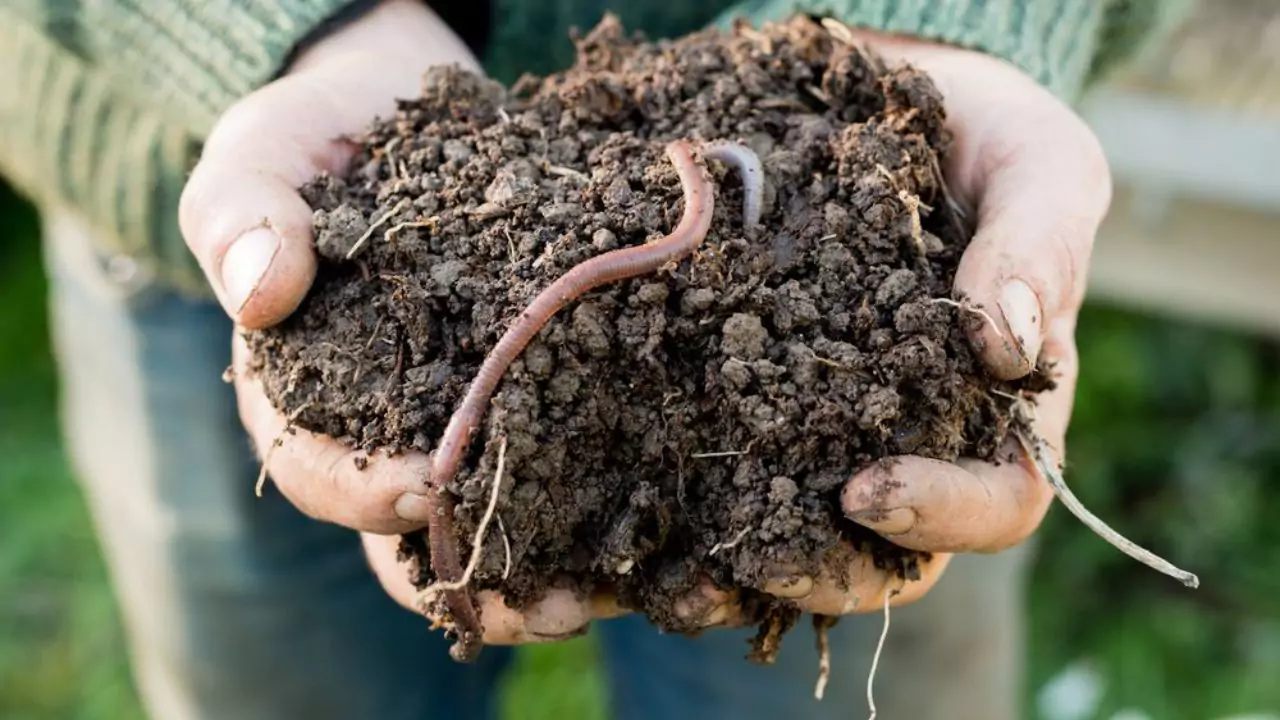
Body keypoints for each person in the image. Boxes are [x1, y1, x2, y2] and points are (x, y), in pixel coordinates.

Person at [0, 1, 1188, 718]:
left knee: (848, 538)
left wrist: (940, 30)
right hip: (224, 185)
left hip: (872, 306)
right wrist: (292, 25)